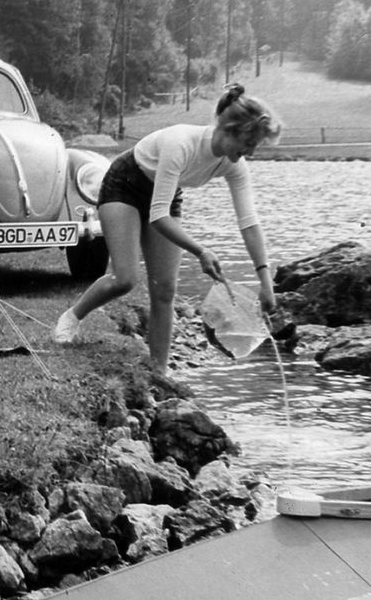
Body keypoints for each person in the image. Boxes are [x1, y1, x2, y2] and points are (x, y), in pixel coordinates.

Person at [52, 84, 282, 380]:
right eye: (249, 143)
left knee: (165, 291)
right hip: (124, 183)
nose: (250, 151)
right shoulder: (181, 143)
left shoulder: (234, 165)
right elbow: (159, 217)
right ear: (231, 129)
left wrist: (265, 282)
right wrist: (201, 251)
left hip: (165, 192)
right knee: (126, 279)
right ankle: (72, 316)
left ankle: (158, 374)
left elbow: (249, 222)